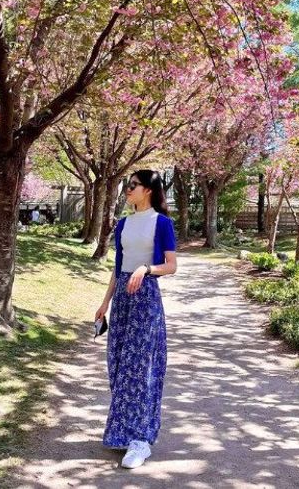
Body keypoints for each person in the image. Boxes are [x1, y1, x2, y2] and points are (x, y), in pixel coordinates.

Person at [94, 169, 178, 469]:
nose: (128, 190)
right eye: (127, 186)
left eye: (133, 186)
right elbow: (118, 268)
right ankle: (122, 431)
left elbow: (171, 266)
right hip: (123, 304)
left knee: (142, 368)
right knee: (118, 365)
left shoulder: (162, 223)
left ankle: (141, 439)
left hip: (146, 300)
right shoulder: (123, 225)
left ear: (149, 190)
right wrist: (105, 303)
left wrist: (146, 268)